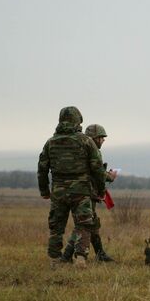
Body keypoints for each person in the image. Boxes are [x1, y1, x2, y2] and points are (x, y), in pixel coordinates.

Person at [37, 107, 107, 269]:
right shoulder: (86, 141)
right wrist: (101, 191)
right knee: (84, 225)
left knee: (56, 228)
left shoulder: (50, 142)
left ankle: (54, 261)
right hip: (81, 192)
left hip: (58, 192)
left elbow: (42, 168)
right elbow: (97, 169)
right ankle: (81, 258)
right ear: (78, 120)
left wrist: (44, 191)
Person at [61, 124, 118, 263]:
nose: (103, 141)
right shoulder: (92, 150)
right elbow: (97, 172)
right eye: (101, 138)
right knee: (84, 224)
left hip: (71, 191)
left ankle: (100, 253)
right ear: (95, 138)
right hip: (85, 193)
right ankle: (67, 256)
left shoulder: (77, 149)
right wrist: (109, 177)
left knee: (91, 223)